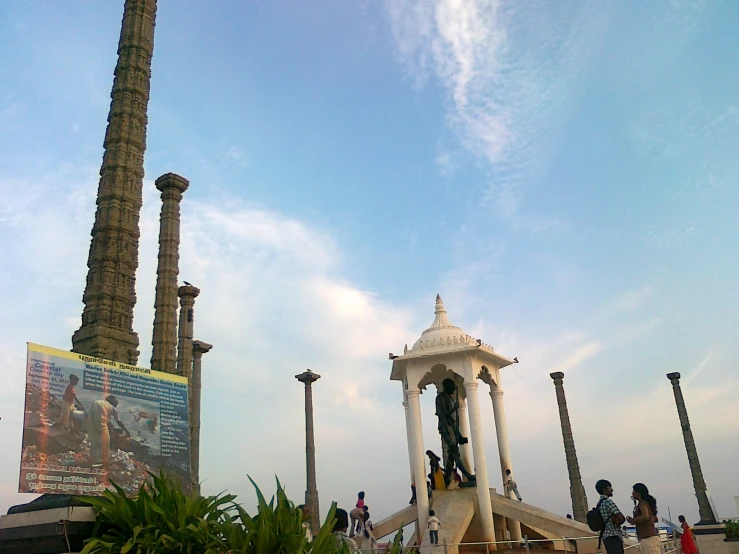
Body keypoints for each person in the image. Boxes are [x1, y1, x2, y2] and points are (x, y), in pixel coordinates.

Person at [86, 395, 130, 468]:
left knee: (95, 442)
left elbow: (97, 416)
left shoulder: (98, 402)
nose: (117, 402)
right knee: (105, 443)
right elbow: (118, 422)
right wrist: (127, 431)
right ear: (112, 401)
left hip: (90, 423)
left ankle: (91, 459)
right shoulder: (111, 407)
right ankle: (99, 462)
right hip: (100, 425)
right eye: (115, 400)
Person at [626, 483, 660, 554]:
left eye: (634, 491)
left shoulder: (642, 504)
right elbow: (655, 519)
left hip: (647, 537)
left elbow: (645, 516)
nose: (632, 493)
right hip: (651, 536)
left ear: (638, 493)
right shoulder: (648, 504)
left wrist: (634, 520)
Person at [596, 479, 626, 554]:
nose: (612, 490)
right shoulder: (607, 502)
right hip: (613, 535)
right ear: (604, 489)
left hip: (606, 536)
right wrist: (617, 521)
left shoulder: (599, 503)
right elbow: (622, 518)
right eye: (610, 487)